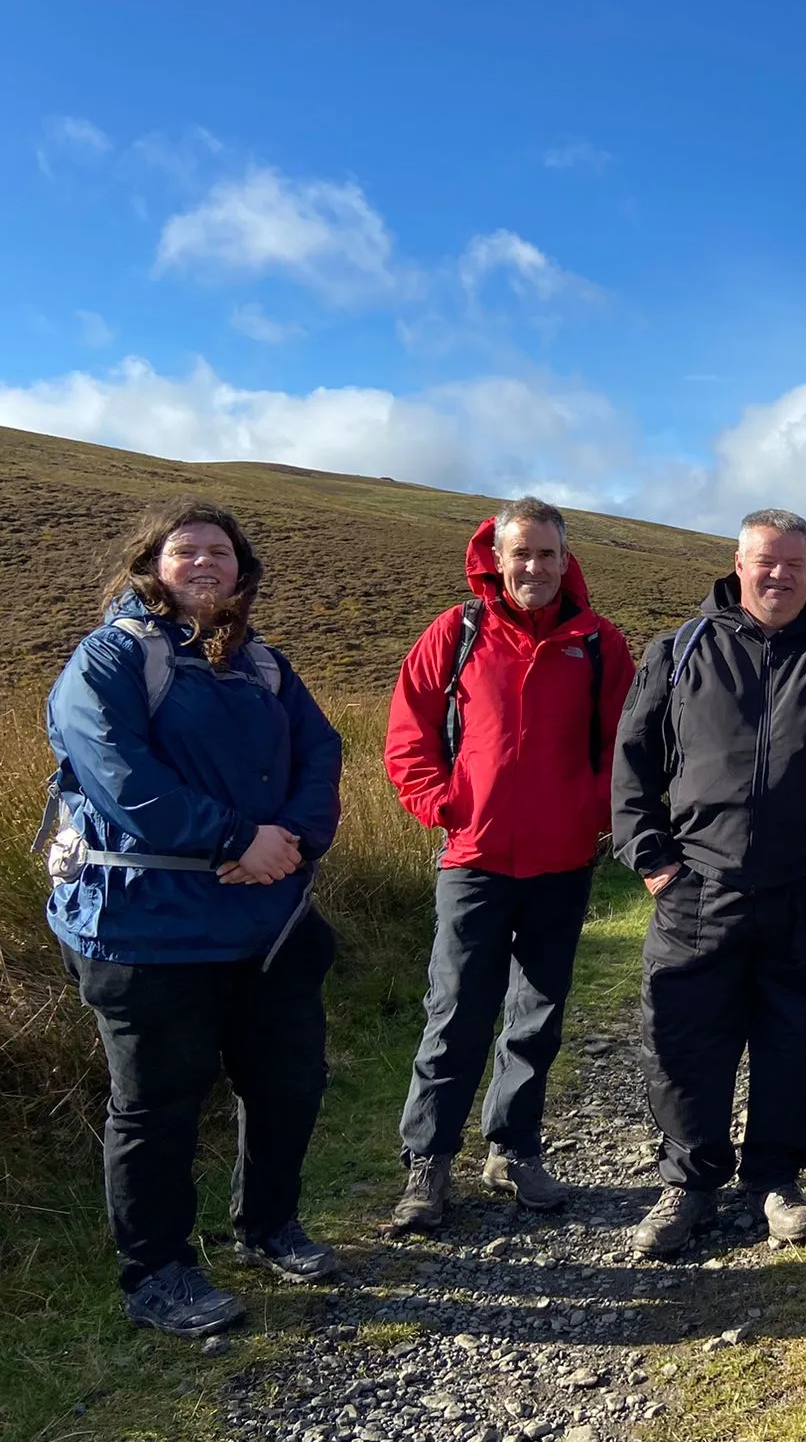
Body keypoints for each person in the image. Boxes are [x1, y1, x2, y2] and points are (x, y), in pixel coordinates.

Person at [42, 500, 344, 1336]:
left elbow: (321, 754)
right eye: (187, 550)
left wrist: (293, 836)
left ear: (242, 573)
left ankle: (268, 1227)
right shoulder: (108, 658)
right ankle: (158, 1273)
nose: (205, 562)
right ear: (154, 566)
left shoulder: (265, 666)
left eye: (221, 552)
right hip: (146, 925)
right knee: (158, 1105)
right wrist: (239, 837)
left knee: (287, 1081)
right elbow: (118, 775)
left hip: (268, 921)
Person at [612, 509, 806, 1256]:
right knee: (683, 1041)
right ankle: (689, 1183)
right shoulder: (680, 651)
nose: (779, 575)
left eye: (794, 564)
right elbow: (633, 764)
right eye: (765, 562)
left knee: (796, 1042)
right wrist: (654, 863)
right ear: (737, 565)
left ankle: (777, 1179)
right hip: (697, 890)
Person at [383, 498, 632, 1230]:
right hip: (474, 858)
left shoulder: (598, 643)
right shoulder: (456, 632)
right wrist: (442, 804)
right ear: (496, 558)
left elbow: (626, 747)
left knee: (537, 1014)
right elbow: (409, 731)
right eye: (521, 553)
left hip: (562, 862)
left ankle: (514, 1149)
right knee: (454, 1012)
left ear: (566, 557)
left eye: (547, 553)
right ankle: (427, 1165)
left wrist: (593, 817)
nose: (535, 567)